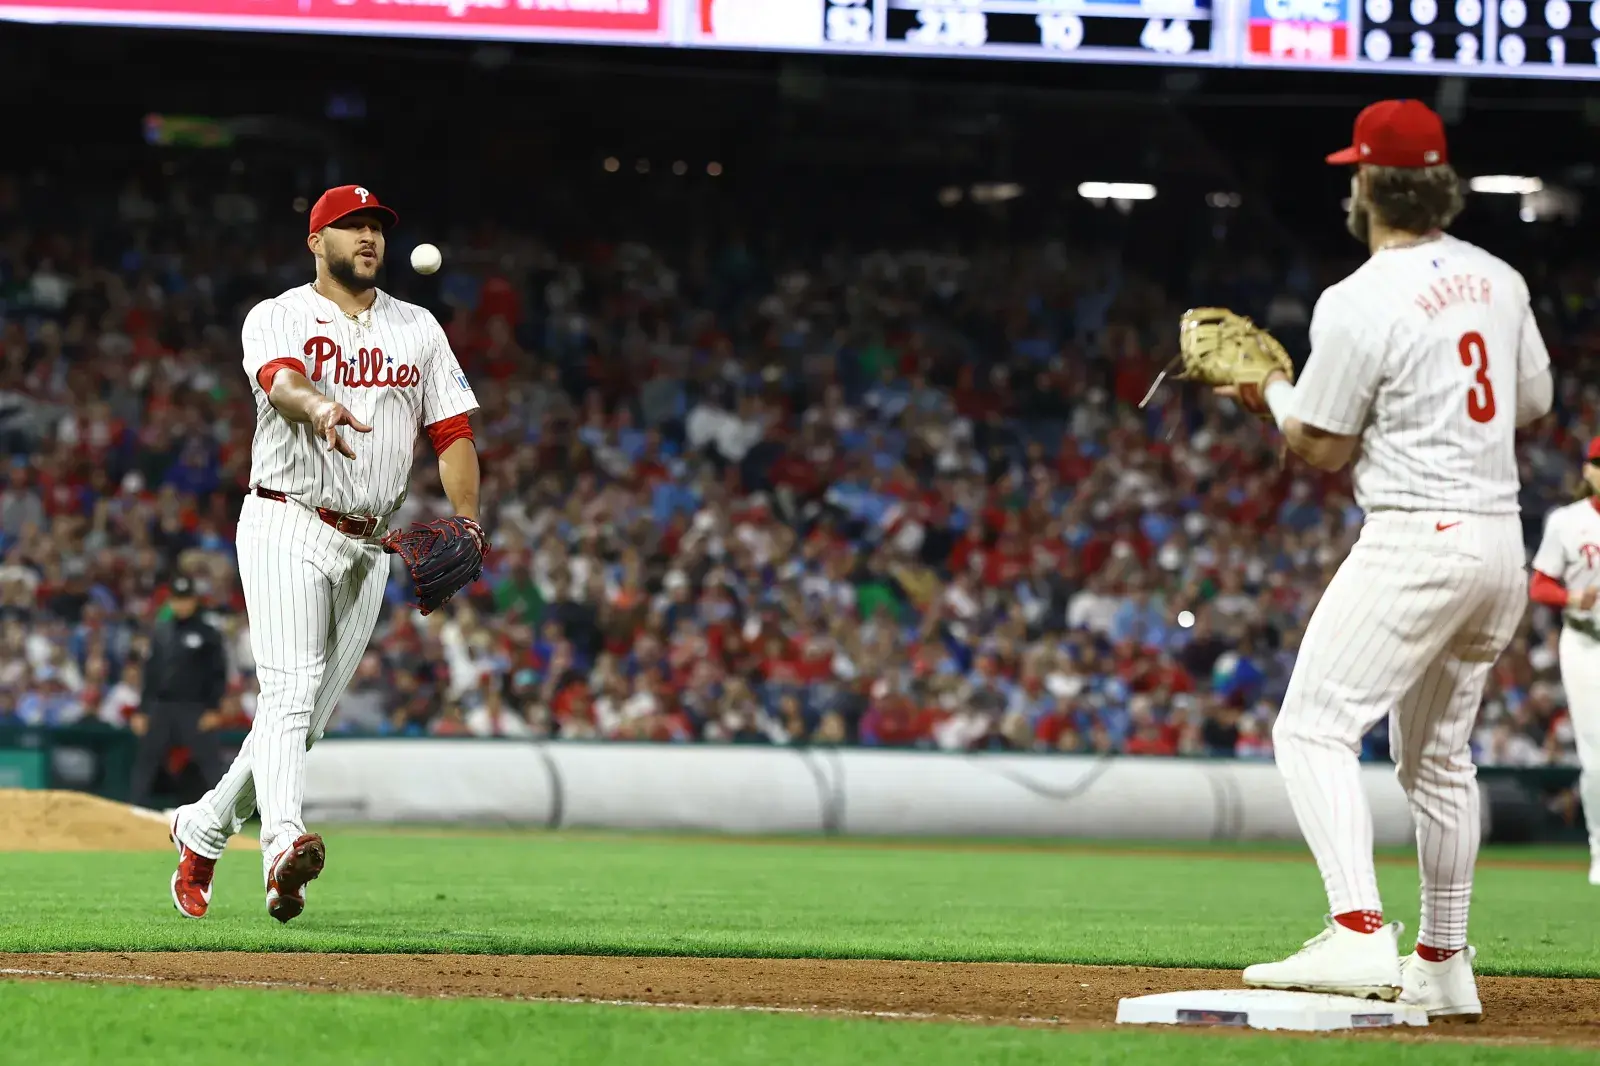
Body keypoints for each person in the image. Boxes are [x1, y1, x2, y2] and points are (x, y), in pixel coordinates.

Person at [1216, 100, 1552, 1019]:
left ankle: (1358, 931)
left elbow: (1320, 446)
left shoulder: (1358, 299)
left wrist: (1268, 389)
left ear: (1366, 185)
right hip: (1497, 546)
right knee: (1440, 761)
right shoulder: (1500, 278)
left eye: (1353, 176)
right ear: (1437, 183)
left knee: (1312, 728)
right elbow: (1532, 403)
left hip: (1416, 537)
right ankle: (1443, 961)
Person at [167, 185, 482, 923]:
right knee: (289, 689)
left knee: (306, 720)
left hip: (371, 540)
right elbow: (281, 382)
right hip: (287, 517)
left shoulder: (420, 328)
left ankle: (205, 824)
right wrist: (321, 408)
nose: (368, 237)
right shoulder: (277, 314)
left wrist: (467, 521)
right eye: (351, 226)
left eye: (376, 227)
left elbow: (453, 433)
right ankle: (281, 845)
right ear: (317, 242)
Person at [1527, 438, 1600, 887]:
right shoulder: (1567, 522)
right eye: (1598, 462)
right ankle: (1599, 847)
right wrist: (1572, 596)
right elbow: (1539, 586)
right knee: (1595, 758)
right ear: (1588, 469)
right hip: (1585, 643)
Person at [128, 575, 228, 809]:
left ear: (194, 600)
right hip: (162, 706)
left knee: (210, 763)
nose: (182, 604)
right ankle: (135, 813)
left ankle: (225, 812)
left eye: (186, 599)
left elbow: (218, 674)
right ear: (170, 601)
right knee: (146, 760)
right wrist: (142, 710)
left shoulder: (207, 632)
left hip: (195, 707)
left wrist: (214, 708)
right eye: (177, 599)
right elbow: (151, 675)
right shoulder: (162, 631)